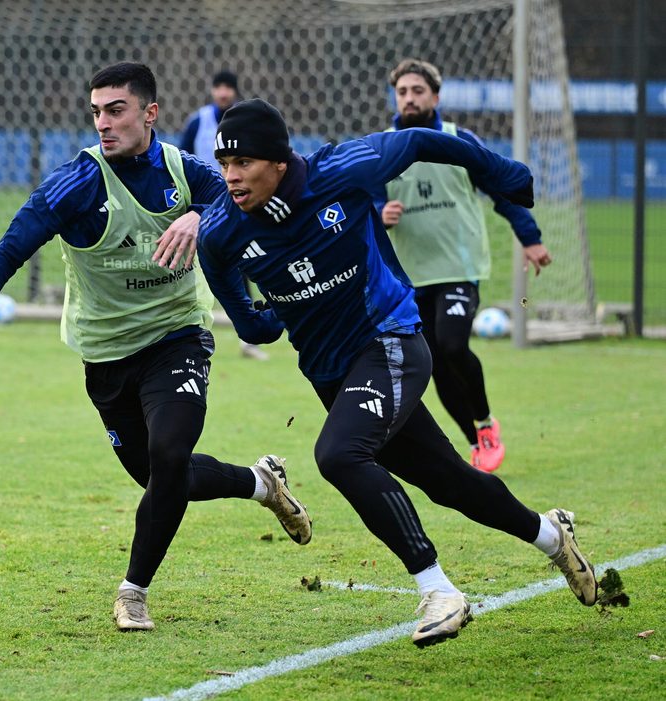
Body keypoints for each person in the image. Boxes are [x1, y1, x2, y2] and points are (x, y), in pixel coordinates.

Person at [0, 64, 312, 633]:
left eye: (117, 110)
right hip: (105, 357)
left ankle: (134, 592)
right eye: (96, 111)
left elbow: (242, 197)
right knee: (161, 478)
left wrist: (202, 216)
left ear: (150, 113)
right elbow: (8, 250)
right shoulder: (75, 184)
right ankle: (260, 483)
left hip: (177, 337)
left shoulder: (188, 172)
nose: (103, 122)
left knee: (170, 455)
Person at [190, 98, 597, 647]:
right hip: (332, 375)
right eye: (223, 165)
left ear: (279, 161)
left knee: (337, 455)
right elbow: (252, 326)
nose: (230, 177)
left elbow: (423, 141)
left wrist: (500, 172)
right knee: (449, 482)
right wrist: (271, 314)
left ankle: (438, 589)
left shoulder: (341, 170)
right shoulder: (219, 235)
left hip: (393, 341)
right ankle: (553, 537)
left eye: (243, 164)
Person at [374, 59, 553, 473]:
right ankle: (476, 442)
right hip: (409, 275)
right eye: (402, 92)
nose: (409, 98)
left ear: (435, 97)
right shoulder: (381, 146)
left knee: (454, 345)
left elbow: (503, 191)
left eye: (418, 90)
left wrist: (531, 238)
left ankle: (487, 423)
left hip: (458, 266)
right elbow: (361, 198)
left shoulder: (458, 140)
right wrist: (380, 209)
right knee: (433, 362)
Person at [180, 69, 269, 360]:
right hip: (204, 210)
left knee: (245, 267)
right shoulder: (198, 122)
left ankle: (251, 336)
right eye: (218, 87)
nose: (222, 93)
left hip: (239, 205)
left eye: (227, 88)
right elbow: (180, 160)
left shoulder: (245, 122)